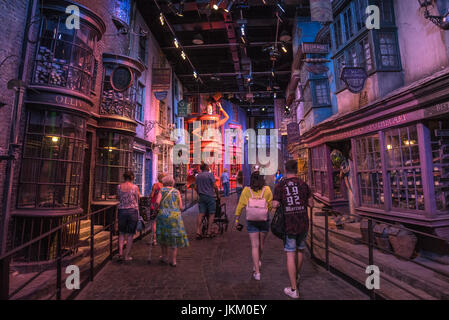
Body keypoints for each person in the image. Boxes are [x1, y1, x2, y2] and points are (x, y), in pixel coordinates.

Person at [273, 160, 313, 299]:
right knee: (300, 250)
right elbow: (311, 204)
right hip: (302, 222)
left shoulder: (281, 185)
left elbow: (275, 204)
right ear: (296, 169)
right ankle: (296, 275)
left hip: (289, 224)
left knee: (290, 254)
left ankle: (294, 288)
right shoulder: (304, 184)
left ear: (285, 169)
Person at [234, 171, 273, 281]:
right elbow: (270, 206)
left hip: (251, 220)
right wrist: (263, 211)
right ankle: (258, 262)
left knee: (254, 246)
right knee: (261, 245)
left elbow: (240, 205)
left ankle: (257, 272)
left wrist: (237, 219)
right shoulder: (267, 190)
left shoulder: (246, 190)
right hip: (264, 220)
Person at [155, 175, 189, 267]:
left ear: (164, 182)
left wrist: (157, 208)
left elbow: (157, 202)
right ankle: (173, 261)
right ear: (172, 182)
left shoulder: (162, 190)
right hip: (175, 216)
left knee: (163, 236)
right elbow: (181, 207)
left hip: (163, 216)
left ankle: (164, 256)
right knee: (173, 238)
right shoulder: (177, 192)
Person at [117, 171, 141, 261]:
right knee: (130, 234)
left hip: (122, 210)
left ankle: (120, 253)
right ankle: (126, 256)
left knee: (121, 233)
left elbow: (118, 197)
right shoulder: (135, 187)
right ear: (132, 178)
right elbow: (138, 198)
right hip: (132, 211)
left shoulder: (119, 187)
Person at [195, 163, 220, 239]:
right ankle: (209, 232)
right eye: (208, 166)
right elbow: (215, 186)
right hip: (210, 196)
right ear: (206, 167)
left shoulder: (198, 176)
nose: (209, 167)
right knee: (211, 214)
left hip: (201, 196)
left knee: (201, 213)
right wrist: (217, 195)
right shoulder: (210, 175)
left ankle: (198, 231)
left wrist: (199, 193)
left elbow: (195, 187)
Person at [149, 173, 166, 245]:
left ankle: (154, 240)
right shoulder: (165, 187)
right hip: (162, 206)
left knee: (154, 223)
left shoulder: (155, 185)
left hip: (154, 206)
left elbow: (152, 195)